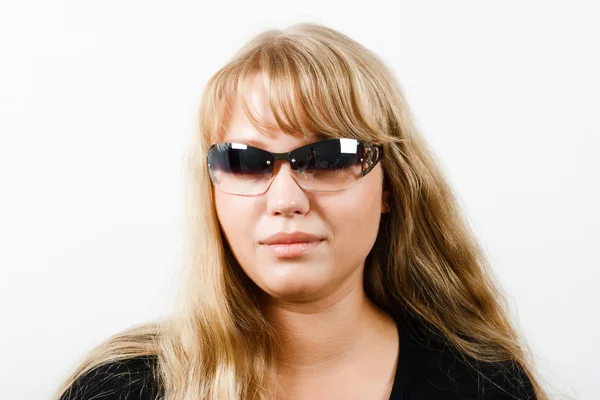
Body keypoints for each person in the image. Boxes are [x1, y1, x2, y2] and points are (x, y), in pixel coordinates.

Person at [54, 23, 548, 399]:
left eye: (329, 158)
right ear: (211, 190)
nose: (286, 200)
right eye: (245, 162)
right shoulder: (119, 389)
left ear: (390, 186)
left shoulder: (487, 386)